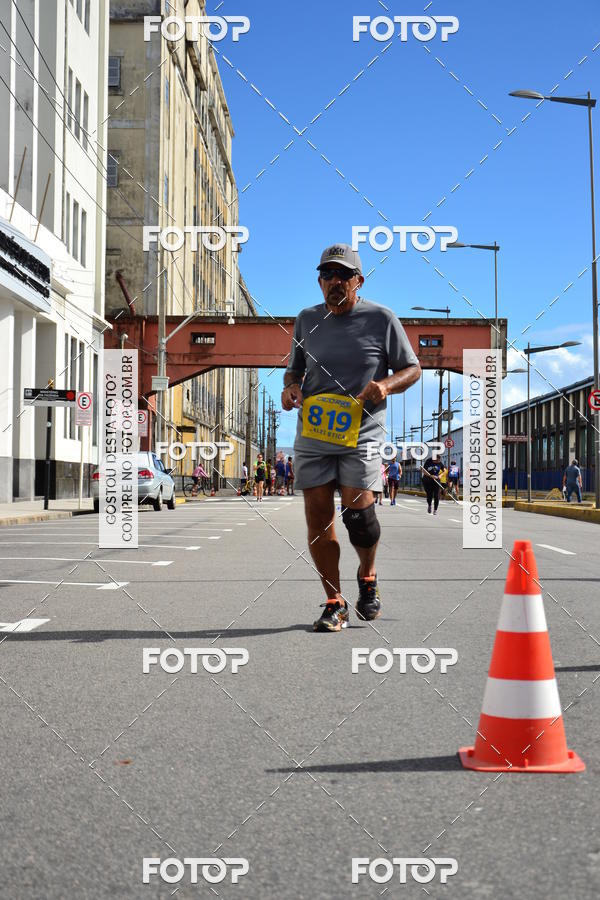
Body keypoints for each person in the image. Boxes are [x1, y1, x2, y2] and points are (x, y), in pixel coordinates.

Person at [281, 242, 421, 632]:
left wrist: (386, 387)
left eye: (343, 275)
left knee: (358, 516)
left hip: (362, 432)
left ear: (359, 281)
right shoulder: (306, 320)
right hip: (314, 432)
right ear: (319, 281)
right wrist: (290, 389)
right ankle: (334, 601)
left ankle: (368, 576)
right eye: (327, 275)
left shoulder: (382, 318)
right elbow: (293, 371)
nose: (334, 282)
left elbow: (412, 369)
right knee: (318, 519)